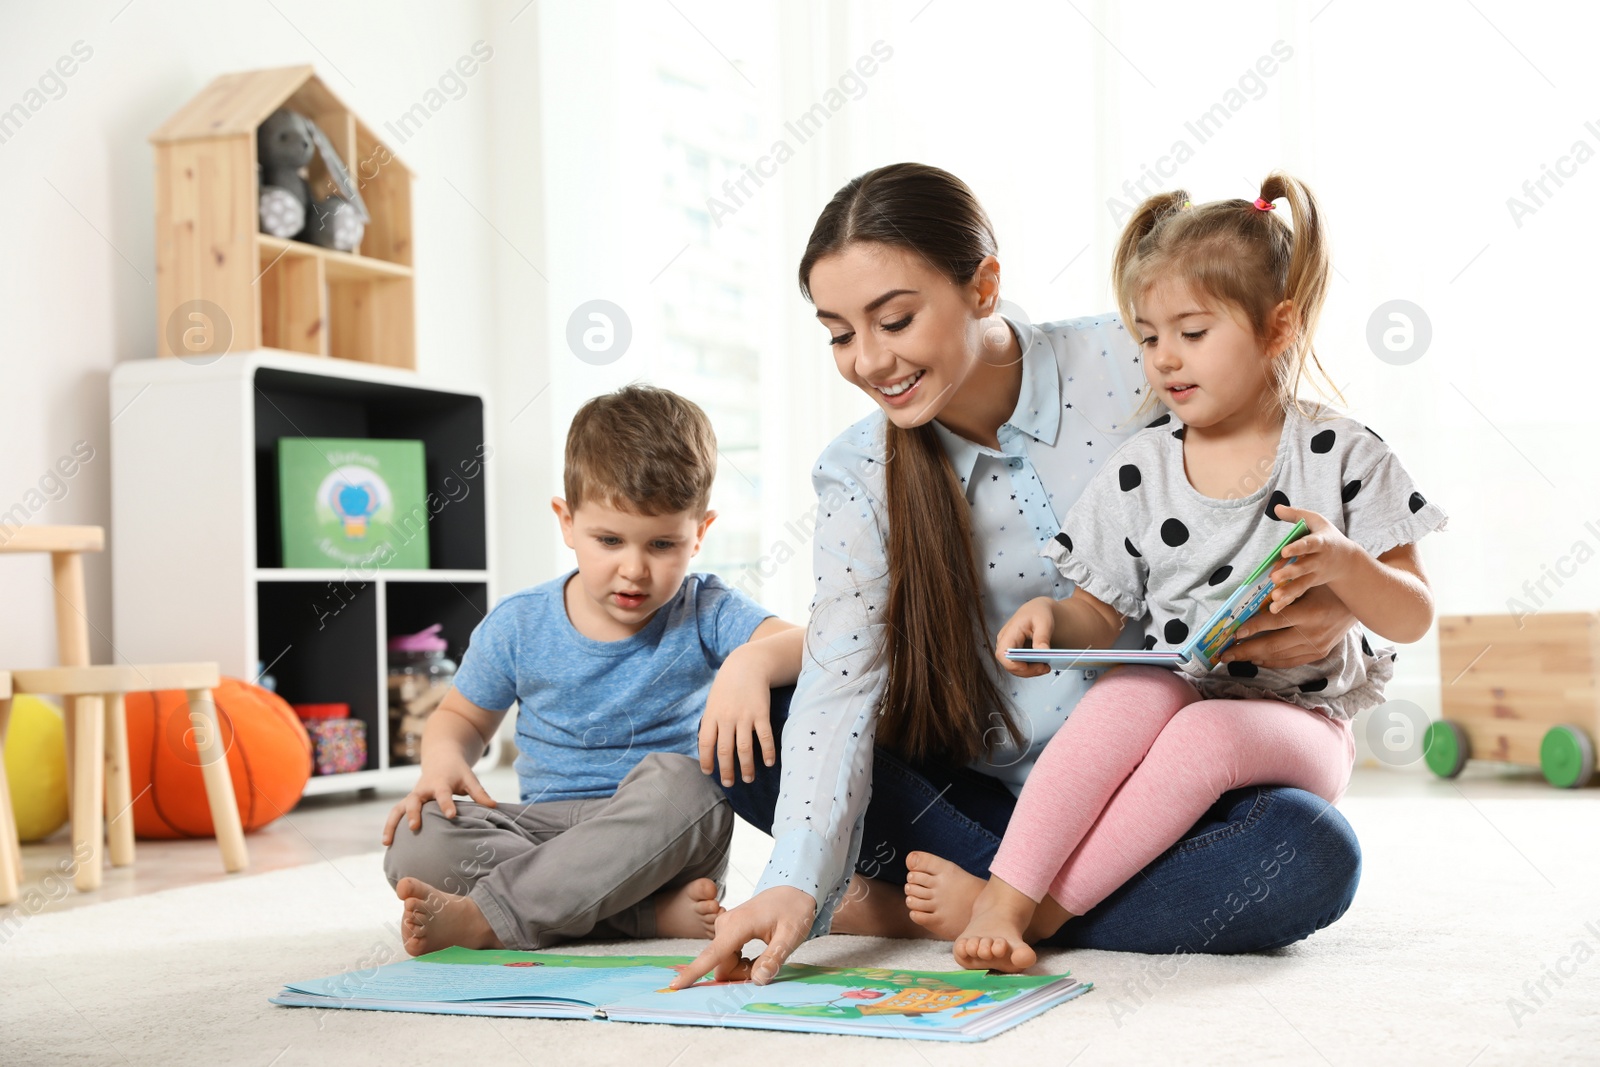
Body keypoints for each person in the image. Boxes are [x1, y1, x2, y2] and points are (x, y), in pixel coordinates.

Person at [676, 163, 1365, 990]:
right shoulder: (858, 472)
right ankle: (1024, 889)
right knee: (746, 740)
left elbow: (1301, 472)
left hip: (1160, 795)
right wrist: (792, 884)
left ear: (984, 287)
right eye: (838, 333)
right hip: (991, 797)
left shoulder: (1133, 357)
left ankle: (1004, 903)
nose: (868, 360)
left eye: (893, 319)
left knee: (1307, 850)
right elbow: (841, 678)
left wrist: (1332, 612)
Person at [909, 174, 1448, 971]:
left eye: (1192, 332)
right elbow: (1098, 610)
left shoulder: (1340, 451)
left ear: (1277, 329)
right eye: (1150, 336)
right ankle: (1007, 893)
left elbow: (1412, 614)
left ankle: (1044, 912)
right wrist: (1054, 622)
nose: (1165, 358)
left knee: (1202, 730)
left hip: (1308, 723)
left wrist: (1345, 563)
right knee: (1130, 692)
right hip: (1188, 681)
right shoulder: (1142, 468)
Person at [381, 384, 799, 954]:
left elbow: (814, 643)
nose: (633, 569)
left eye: (661, 544)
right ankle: (637, 918)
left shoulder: (708, 610)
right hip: (536, 829)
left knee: (693, 787)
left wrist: (749, 661)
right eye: (609, 540)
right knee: (416, 840)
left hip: (658, 840)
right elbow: (461, 718)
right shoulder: (519, 623)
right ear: (567, 522)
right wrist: (443, 760)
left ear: (699, 534)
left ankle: (489, 918)